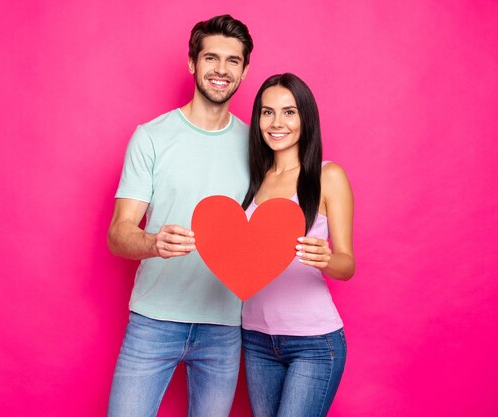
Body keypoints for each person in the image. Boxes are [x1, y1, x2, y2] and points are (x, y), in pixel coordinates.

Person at [106, 15, 253, 417]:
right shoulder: (151, 137)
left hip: (223, 327)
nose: (221, 70)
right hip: (154, 320)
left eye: (233, 61)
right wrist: (153, 243)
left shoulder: (257, 145)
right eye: (211, 58)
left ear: (244, 70)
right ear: (192, 63)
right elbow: (118, 233)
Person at [240, 73, 355, 417]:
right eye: (267, 112)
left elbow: (347, 264)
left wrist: (326, 259)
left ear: (306, 117)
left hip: (314, 342)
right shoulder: (252, 179)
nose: (277, 123)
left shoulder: (327, 176)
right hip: (255, 338)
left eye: (289, 112)